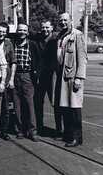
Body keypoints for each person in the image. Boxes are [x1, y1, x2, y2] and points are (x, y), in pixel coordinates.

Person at [55, 13, 87, 147]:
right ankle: (68, 135)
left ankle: (77, 137)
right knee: (66, 108)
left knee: (74, 108)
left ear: (71, 21)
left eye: (65, 20)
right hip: (63, 76)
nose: (63, 22)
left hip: (73, 77)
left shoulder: (77, 35)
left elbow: (82, 58)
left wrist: (79, 78)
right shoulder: (60, 36)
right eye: (61, 20)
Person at [12, 23, 40, 141]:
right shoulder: (12, 44)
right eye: (20, 30)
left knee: (29, 105)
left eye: (24, 30)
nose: (22, 32)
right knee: (17, 105)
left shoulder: (32, 44)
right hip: (14, 75)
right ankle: (19, 130)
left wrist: (36, 75)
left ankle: (32, 131)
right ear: (17, 31)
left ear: (27, 32)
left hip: (27, 76)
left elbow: (38, 61)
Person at [34, 20, 61, 136]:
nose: (45, 30)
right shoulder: (38, 38)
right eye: (43, 27)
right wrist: (19, 15)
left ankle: (59, 130)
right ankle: (39, 127)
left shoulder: (56, 40)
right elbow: (27, 31)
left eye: (47, 27)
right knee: (38, 103)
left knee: (56, 103)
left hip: (52, 76)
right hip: (40, 77)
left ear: (52, 28)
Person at [0, 22, 17, 141]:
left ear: (6, 33)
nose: (1, 33)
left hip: (6, 78)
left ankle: (4, 130)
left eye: (3, 31)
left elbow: (13, 62)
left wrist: (12, 79)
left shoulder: (8, 44)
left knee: (5, 108)